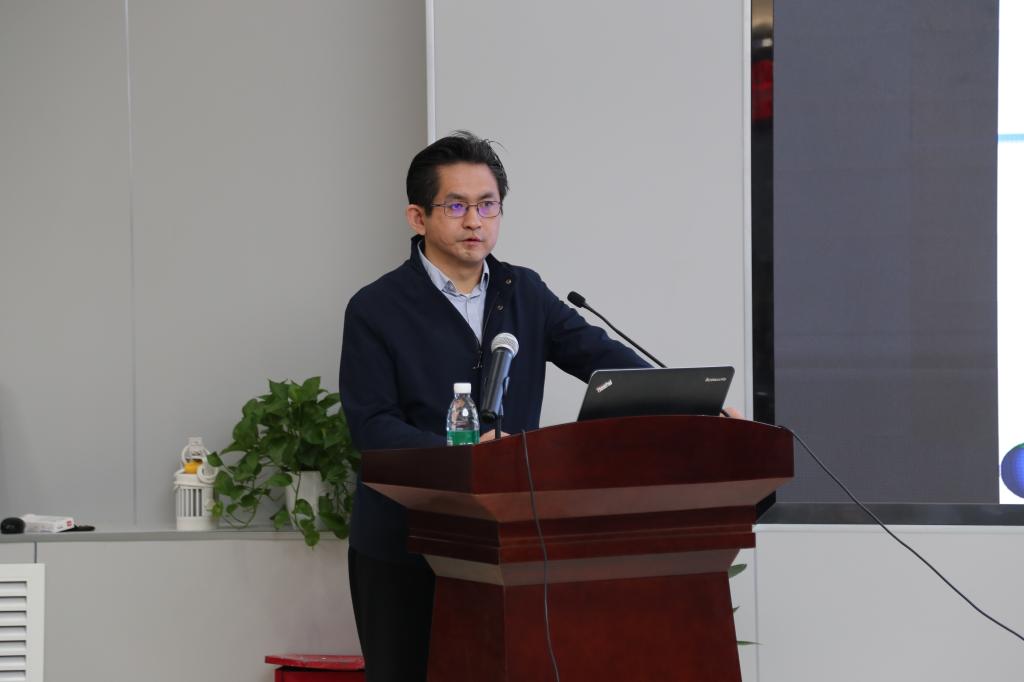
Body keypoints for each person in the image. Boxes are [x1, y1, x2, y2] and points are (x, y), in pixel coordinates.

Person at [338, 131, 648, 682]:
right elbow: (373, 427)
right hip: (403, 543)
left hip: (505, 537)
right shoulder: (376, 308)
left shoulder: (524, 292)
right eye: (456, 206)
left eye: (487, 206)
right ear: (418, 217)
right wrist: (462, 455)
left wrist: (687, 402)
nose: (474, 221)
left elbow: (601, 359)